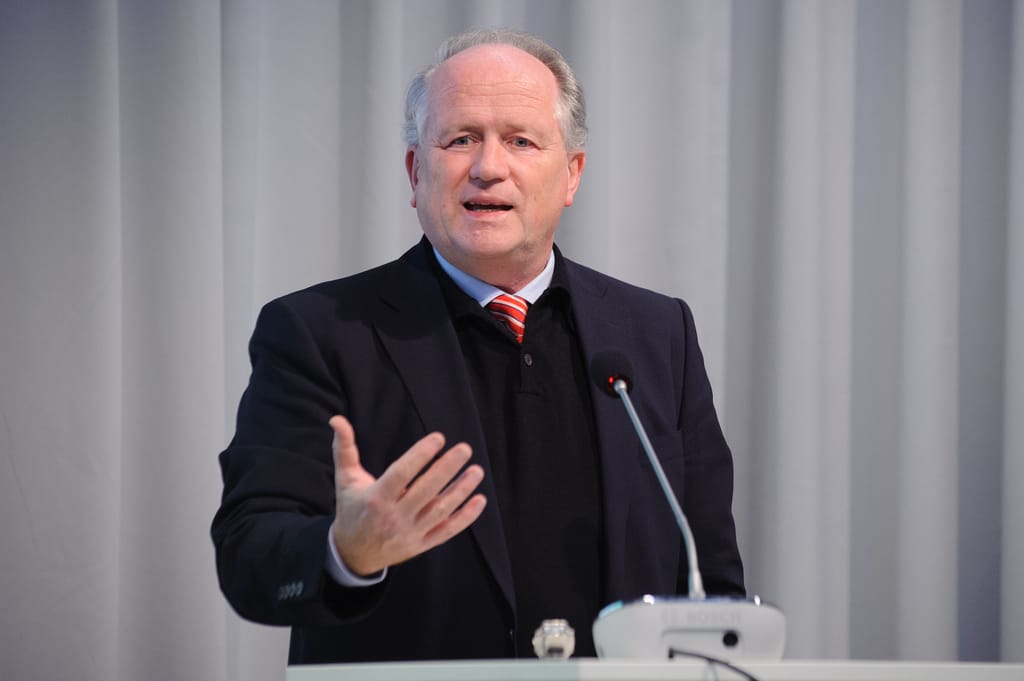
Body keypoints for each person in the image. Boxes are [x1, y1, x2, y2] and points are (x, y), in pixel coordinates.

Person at [211, 28, 744, 665]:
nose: (488, 166)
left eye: (521, 141)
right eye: (461, 139)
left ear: (571, 174)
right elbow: (249, 556)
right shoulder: (318, 332)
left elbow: (712, 583)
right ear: (416, 171)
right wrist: (345, 552)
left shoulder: (657, 335)